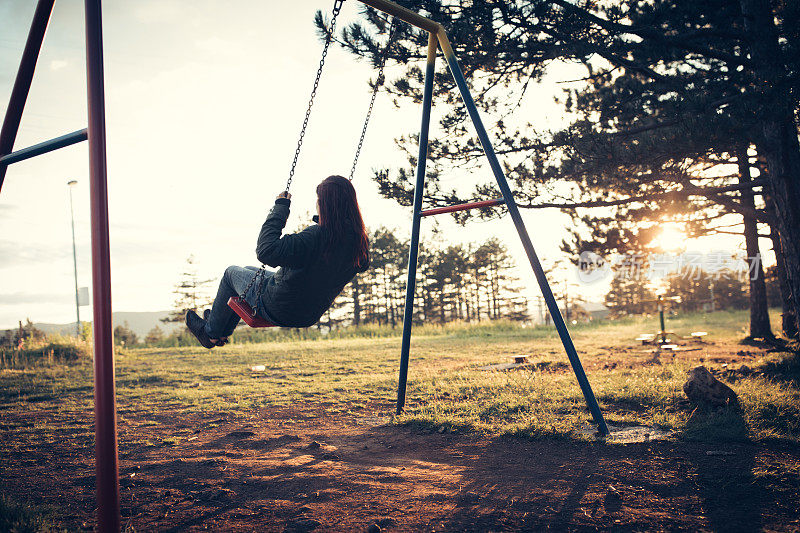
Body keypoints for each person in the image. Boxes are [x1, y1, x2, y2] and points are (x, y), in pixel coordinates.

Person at [185, 175, 370, 348]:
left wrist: (281, 207)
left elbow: (266, 250)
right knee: (248, 270)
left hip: (280, 307)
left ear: (325, 205)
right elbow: (354, 264)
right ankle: (221, 326)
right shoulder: (357, 242)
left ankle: (210, 333)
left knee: (231, 273)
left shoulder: (315, 238)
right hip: (309, 312)